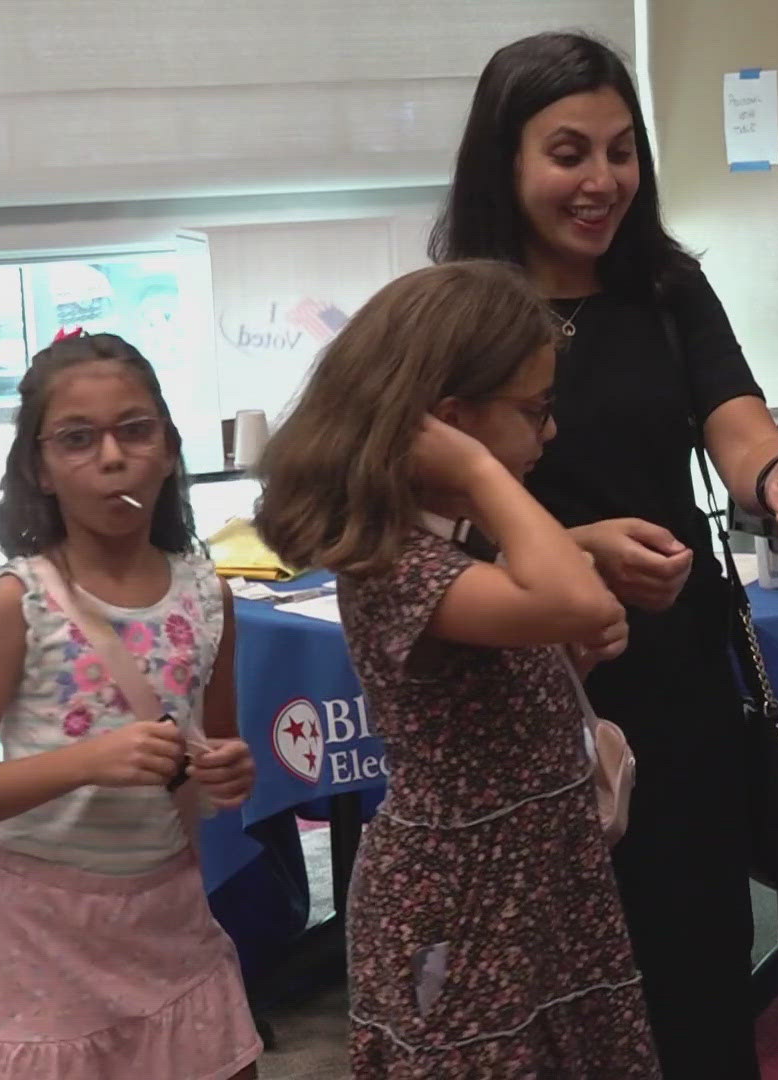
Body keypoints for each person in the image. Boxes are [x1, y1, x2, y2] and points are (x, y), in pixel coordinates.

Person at [431, 33, 778, 1075]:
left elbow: (742, 431)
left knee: (694, 968)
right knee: (551, 992)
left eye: (621, 151)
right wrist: (573, 554)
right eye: (569, 153)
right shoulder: (452, 318)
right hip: (523, 698)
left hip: (675, 689)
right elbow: (409, 522)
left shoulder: (669, 293)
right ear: (506, 163)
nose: (601, 182)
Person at [254, 260, 656, 1078]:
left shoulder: (452, 541)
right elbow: (570, 600)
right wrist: (479, 468)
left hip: (535, 885)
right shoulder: (400, 568)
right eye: (534, 412)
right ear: (448, 422)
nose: (549, 434)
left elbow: (543, 611)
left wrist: (572, 588)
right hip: (467, 908)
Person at [0, 333, 261, 1080]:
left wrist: (230, 772)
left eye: (134, 431)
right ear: (40, 468)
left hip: (169, 918)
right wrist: (87, 761)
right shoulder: (20, 603)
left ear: (168, 449)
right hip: (41, 933)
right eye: (78, 439)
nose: (111, 457)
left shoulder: (208, 595)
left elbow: (217, 760)